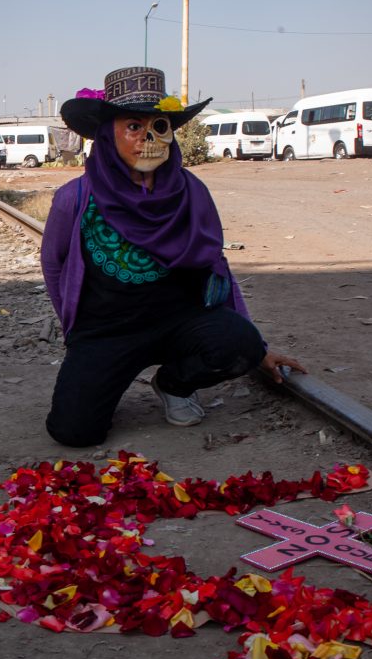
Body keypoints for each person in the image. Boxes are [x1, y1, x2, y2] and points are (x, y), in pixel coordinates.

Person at [41, 65, 305, 447]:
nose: (148, 138)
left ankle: (173, 384)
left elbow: (217, 266)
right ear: (107, 135)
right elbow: (53, 264)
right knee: (74, 432)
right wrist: (75, 332)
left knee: (239, 344)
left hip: (180, 323)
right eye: (133, 126)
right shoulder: (75, 198)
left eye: (159, 126)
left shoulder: (191, 192)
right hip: (106, 332)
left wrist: (260, 350)